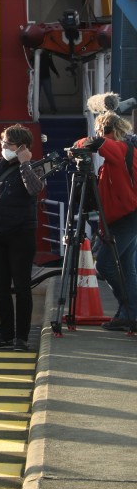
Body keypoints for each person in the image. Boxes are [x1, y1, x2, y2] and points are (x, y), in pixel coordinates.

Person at [0, 124, 44, 351]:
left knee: (22, 287)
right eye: (2, 142)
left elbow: (34, 189)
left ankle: (21, 338)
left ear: (22, 147)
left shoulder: (34, 166)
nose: (3, 146)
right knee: (0, 287)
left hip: (21, 235)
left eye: (8, 143)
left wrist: (25, 163)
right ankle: (5, 334)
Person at [75, 112, 137, 334]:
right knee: (127, 267)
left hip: (126, 216)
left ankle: (132, 311)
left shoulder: (119, 149)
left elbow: (96, 143)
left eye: (100, 130)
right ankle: (128, 314)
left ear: (107, 130)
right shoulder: (125, 152)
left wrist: (79, 145)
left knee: (106, 265)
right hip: (127, 215)